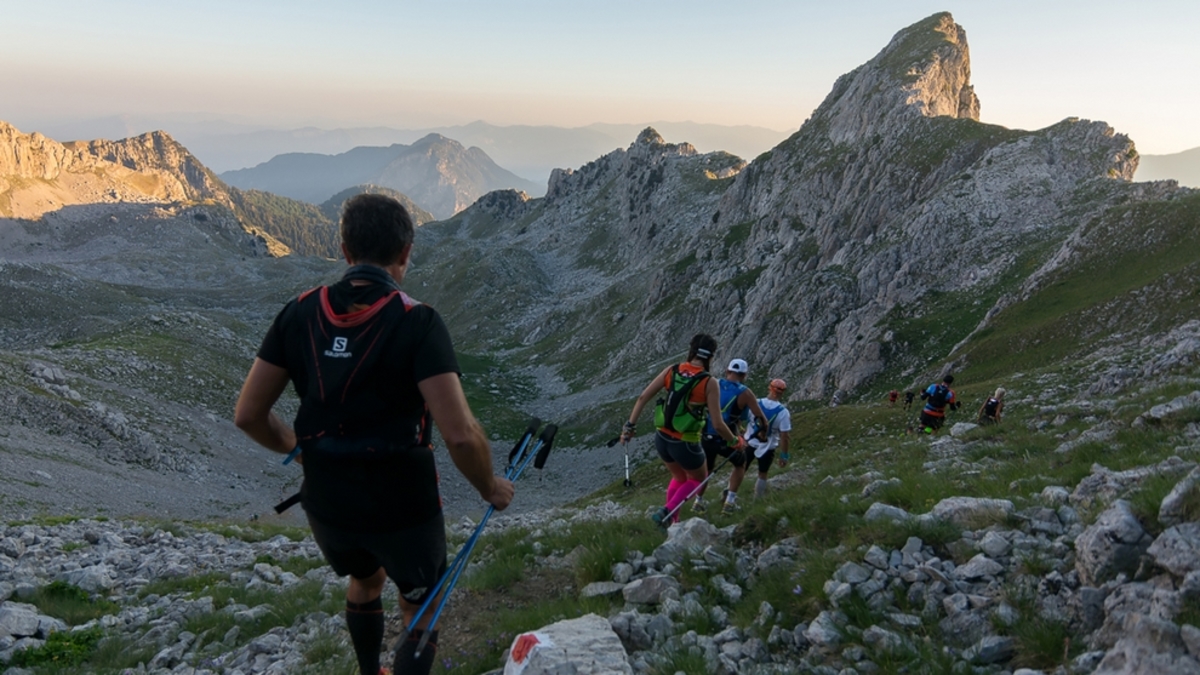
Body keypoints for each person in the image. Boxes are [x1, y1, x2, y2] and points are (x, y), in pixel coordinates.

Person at [233, 194, 514, 675]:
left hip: (328, 499)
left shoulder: (298, 313)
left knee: (364, 579)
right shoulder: (417, 321)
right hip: (401, 502)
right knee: (419, 605)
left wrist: (298, 450)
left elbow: (248, 415)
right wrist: (490, 487)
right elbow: (461, 435)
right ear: (406, 251)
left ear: (344, 250)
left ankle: (369, 672)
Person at [619, 334, 746, 528]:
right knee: (698, 479)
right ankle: (666, 513)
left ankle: (671, 522)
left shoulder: (672, 370)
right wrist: (734, 441)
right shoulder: (709, 382)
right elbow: (718, 423)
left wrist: (629, 427)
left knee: (679, 477)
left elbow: (643, 397)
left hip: (662, 438)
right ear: (711, 357)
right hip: (685, 442)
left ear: (692, 350)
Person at [691, 358, 766, 513]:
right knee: (740, 463)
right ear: (744, 375)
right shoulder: (745, 392)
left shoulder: (713, 384)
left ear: (727, 371)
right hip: (727, 438)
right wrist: (764, 429)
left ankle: (698, 501)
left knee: (707, 470)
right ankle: (729, 502)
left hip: (706, 436)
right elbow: (758, 416)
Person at [723, 378, 791, 511]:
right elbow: (785, 436)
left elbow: (740, 418)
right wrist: (784, 455)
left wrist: (740, 432)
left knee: (740, 469)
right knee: (763, 473)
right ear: (782, 393)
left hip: (748, 442)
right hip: (768, 446)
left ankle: (728, 494)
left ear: (769, 388)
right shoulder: (783, 412)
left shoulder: (756, 403)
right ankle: (757, 501)